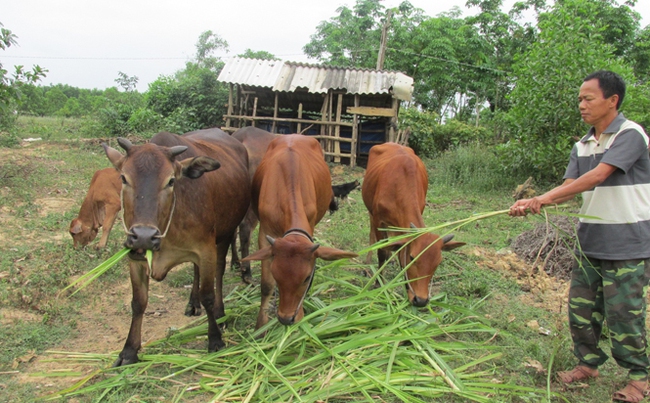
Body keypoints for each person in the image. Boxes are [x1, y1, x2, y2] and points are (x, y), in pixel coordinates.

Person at [510, 70, 650, 402]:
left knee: (624, 314)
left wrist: (542, 198)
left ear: (612, 100)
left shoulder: (631, 135)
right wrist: (533, 202)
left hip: (627, 243)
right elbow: (568, 189)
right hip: (590, 243)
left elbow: (599, 176)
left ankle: (638, 378)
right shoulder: (582, 145)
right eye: (579, 99)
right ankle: (587, 364)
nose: (581, 105)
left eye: (588, 98)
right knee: (581, 310)